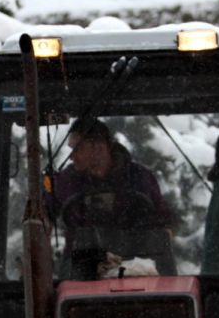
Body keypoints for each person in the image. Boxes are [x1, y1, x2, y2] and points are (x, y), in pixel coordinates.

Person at [46, 117, 173, 276]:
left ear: (100, 148)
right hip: (80, 264)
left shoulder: (140, 178)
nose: (71, 157)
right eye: (71, 150)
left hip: (136, 262)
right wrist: (42, 256)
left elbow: (163, 226)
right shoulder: (66, 180)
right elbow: (43, 214)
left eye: (77, 150)